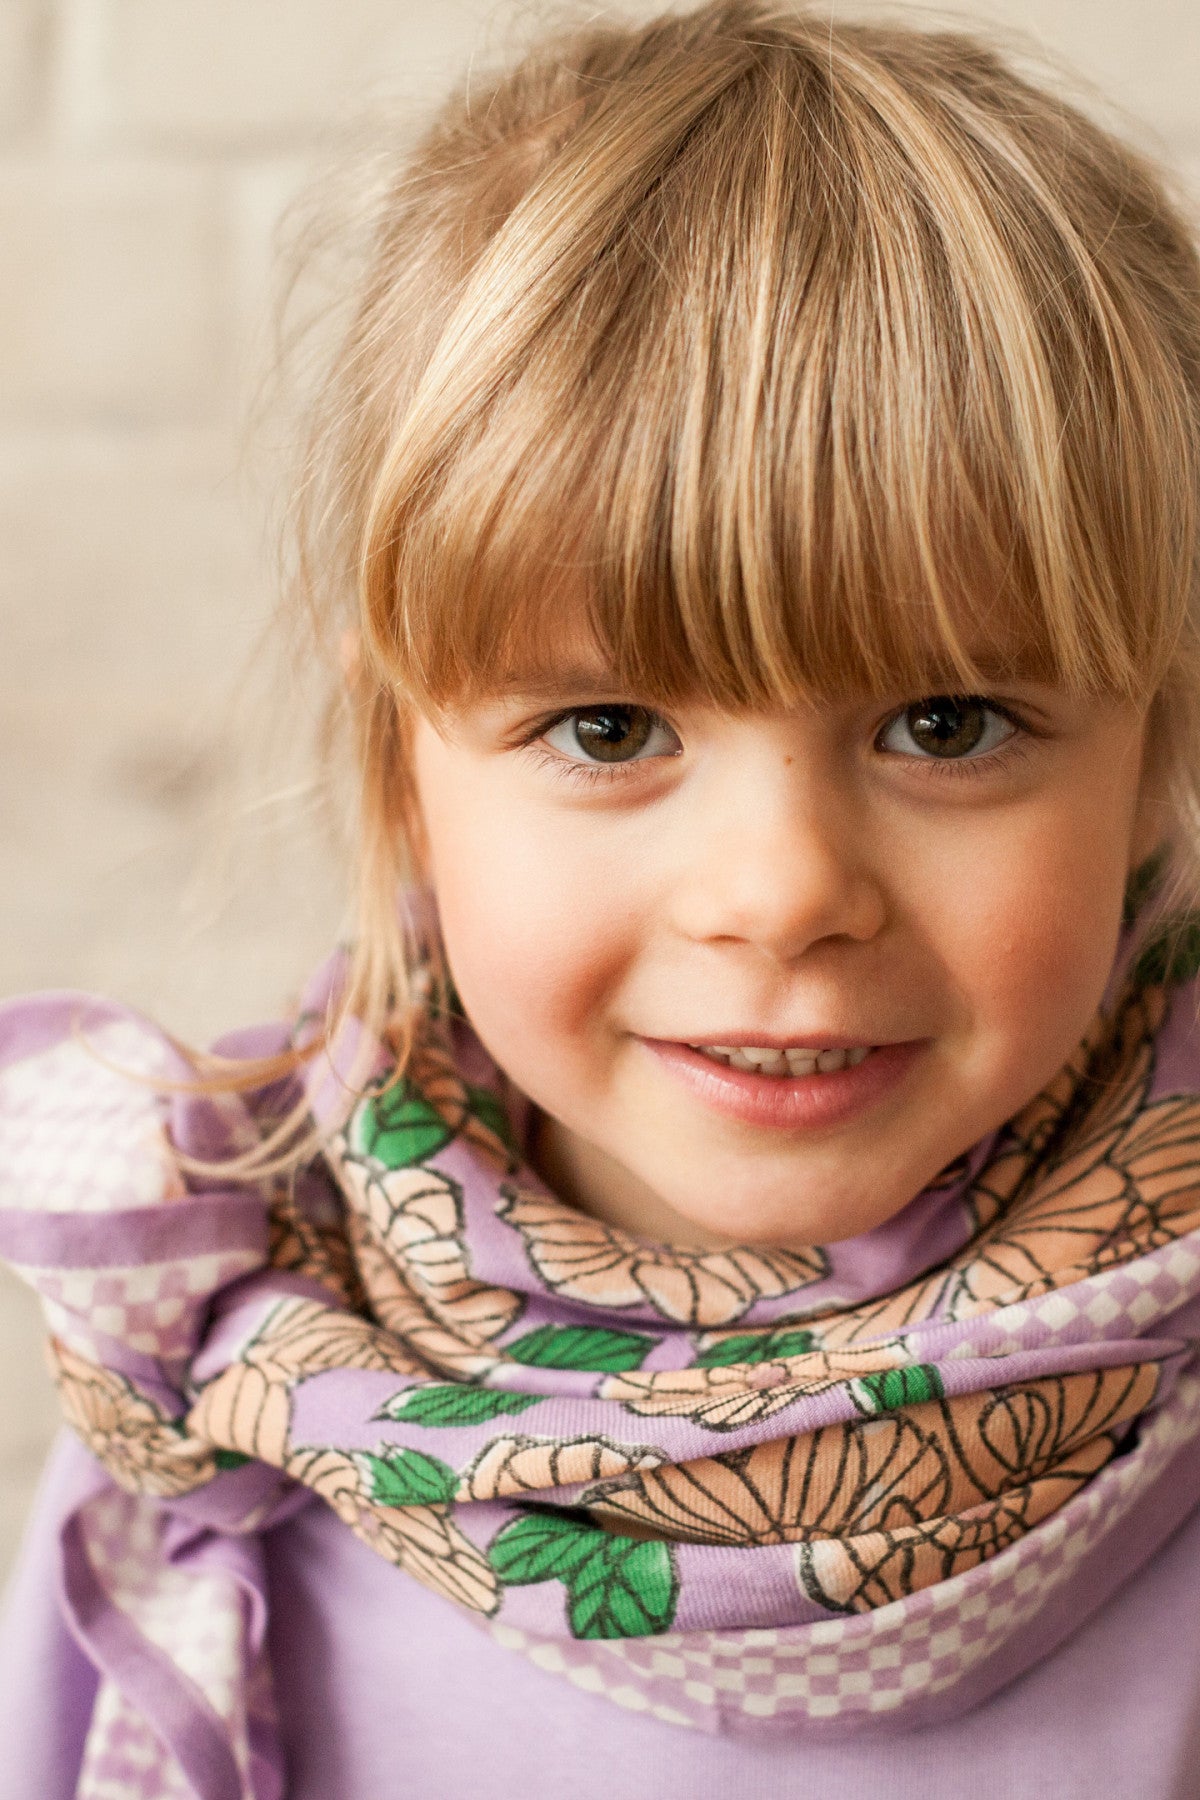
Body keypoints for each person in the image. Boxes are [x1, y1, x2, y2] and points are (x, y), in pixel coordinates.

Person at [4, 2, 1200, 1793]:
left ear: (1156, 752)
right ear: (403, 762)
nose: (783, 892)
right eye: (609, 723)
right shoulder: (220, 1374)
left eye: (945, 724)